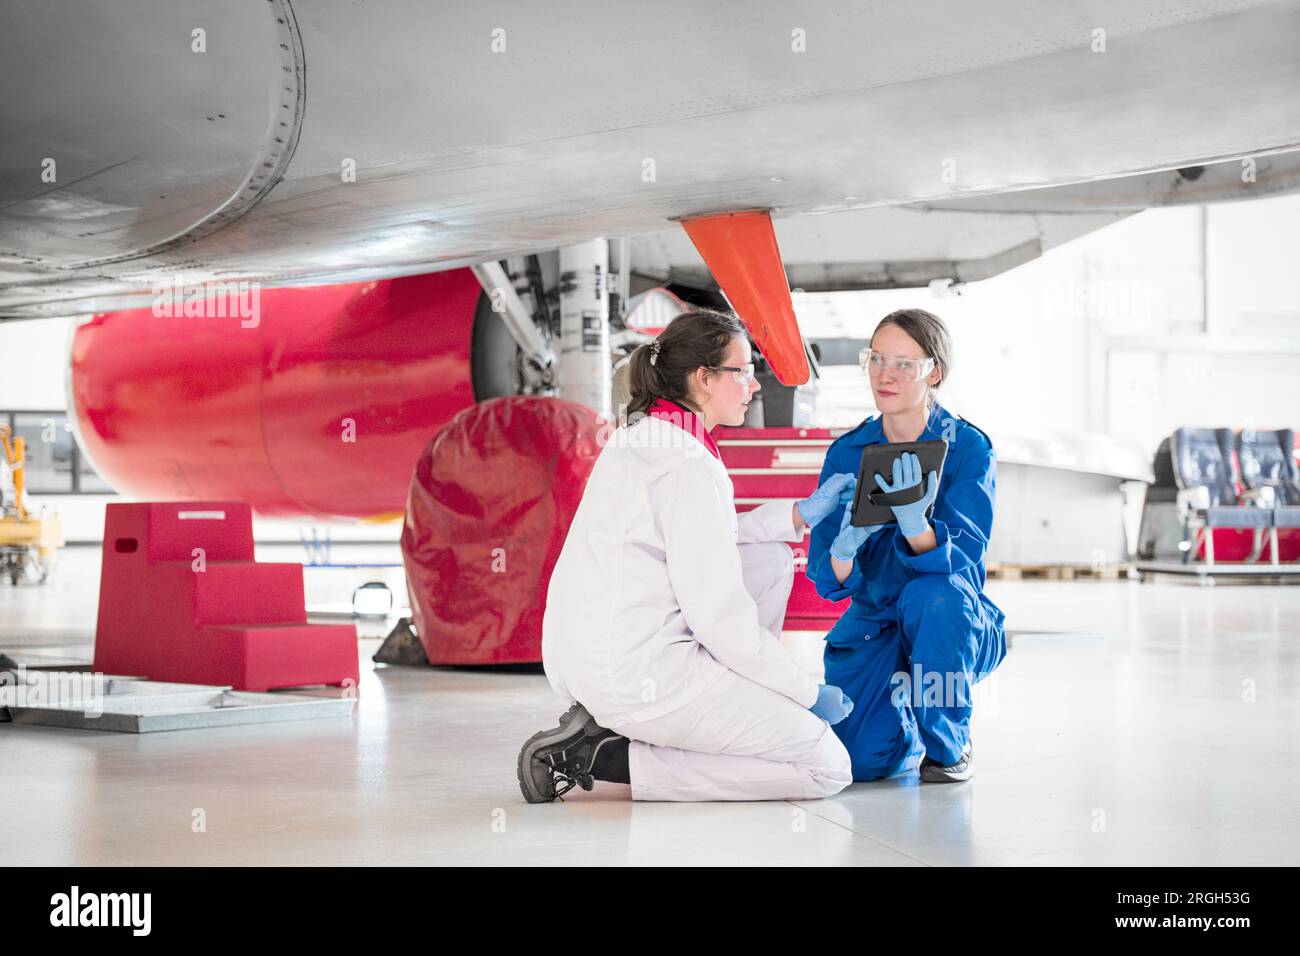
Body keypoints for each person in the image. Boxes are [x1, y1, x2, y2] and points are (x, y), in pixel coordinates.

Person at [518, 309, 856, 802]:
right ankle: (607, 758)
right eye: (743, 371)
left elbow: (709, 544)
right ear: (703, 379)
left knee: (771, 561)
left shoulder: (643, 437)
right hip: (641, 677)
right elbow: (719, 618)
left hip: (595, 659)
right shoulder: (687, 465)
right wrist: (804, 691)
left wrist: (800, 515)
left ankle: (700, 705)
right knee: (825, 764)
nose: (754, 385)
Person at [806, 308, 1007, 783]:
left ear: (933, 371)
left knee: (934, 598)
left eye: (902, 364)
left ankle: (947, 743)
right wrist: (841, 551)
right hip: (875, 618)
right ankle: (905, 725)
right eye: (875, 359)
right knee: (858, 762)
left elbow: (966, 559)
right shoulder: (848, 452)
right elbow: (824, 579)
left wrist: (917, 527)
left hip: (947, 617)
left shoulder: (967, 448)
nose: (884, 375)